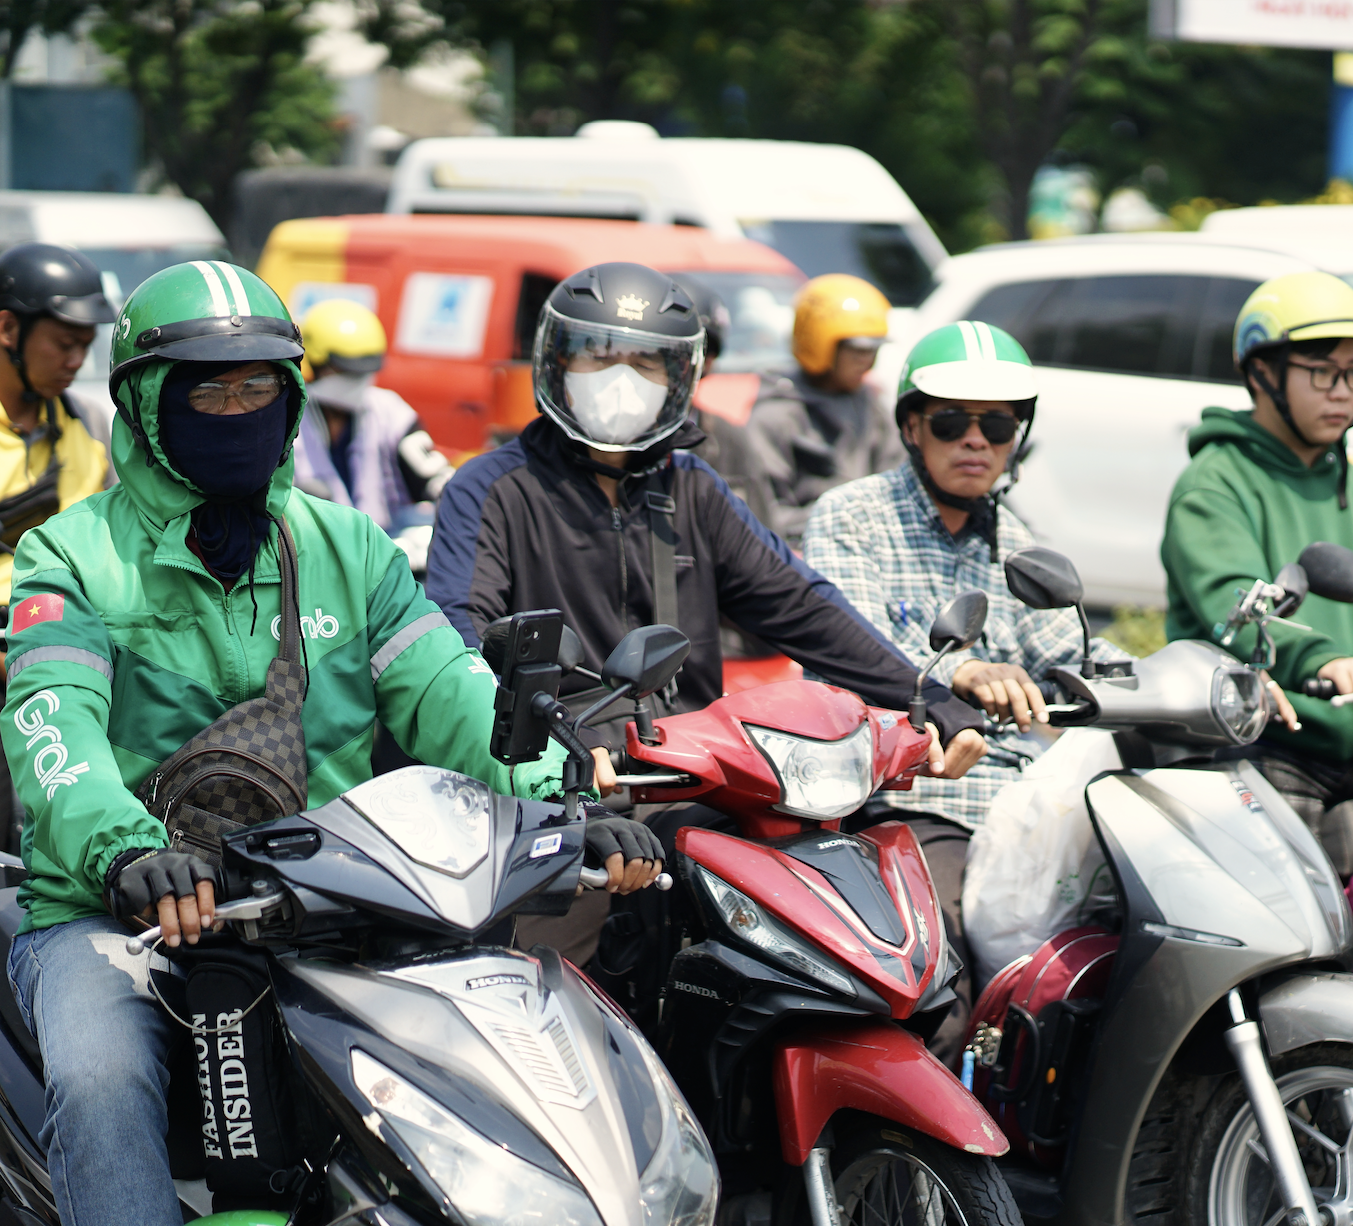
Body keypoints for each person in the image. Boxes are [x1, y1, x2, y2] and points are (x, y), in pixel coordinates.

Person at [0, 260, 660, 1226]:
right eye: (207, 392)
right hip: (117, 913)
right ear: (143, 405)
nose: (238, 413)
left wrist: (567, 799)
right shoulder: (71, 554)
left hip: (331, 904)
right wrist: (129, 854)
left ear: (292, 400)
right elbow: (53, 733)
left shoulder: (349, 547)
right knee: (103, 1079)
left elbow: (452, 692)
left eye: (258, 389)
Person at [425, 261, 987, 972]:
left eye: (644, 363)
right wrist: (558, 753)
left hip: (694, 780)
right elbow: (459, 638)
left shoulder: (693, 486)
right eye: (600, 357)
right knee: (542, 990)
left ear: (679, 378)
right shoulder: (492, 487)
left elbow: (800, 603)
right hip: (558, 793)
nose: (621, 380)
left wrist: (925, 696)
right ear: (557, 363)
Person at [802, 319, 1133, 1047]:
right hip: (912, 797)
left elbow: (1071, 650)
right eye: (952, 422)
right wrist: (960, 670)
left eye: (997, 425)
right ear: (912, 427)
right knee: (942, 989)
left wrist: (1181, 680)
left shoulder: (1017, 539)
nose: (975, 441)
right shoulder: (853, 518)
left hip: (1028, 807)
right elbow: (844, 647)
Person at [1162, 271, 1353, 874]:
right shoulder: (1214, 485)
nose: (1342, 392)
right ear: (1262, 374)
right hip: (1269, 732)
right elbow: (1233, 603)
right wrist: (1322, 661)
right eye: (1321, 372)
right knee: (1290, 902)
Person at [737, 273, 905, 545]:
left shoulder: (869, 405)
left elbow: (898, 482)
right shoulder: (776, 416)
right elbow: (763, 515)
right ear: (819, 342)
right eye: (858, 350)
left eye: (873, 350)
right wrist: (839, 517)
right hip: (801, 553)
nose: (867, 362)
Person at [0, 243, 116, 610]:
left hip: (78, 625)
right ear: (7, 328)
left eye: (86, 346)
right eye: (65, 344)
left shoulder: (89, 422)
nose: (77, 361)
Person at [291, 297, 453, 530]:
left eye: (362, 373)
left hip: (385, 543)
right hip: (313, 545)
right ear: (313, 365)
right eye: (343, 371)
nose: (355, 382)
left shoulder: (389, 412)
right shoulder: (286, 418)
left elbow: (436, 478)